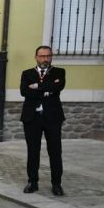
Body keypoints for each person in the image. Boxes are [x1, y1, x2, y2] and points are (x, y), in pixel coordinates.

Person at [21, 45, 66, 196]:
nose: (45, 59)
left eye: (48, 56)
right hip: (31, 117)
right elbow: (24, 91)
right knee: (33, 151)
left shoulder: (59, 72)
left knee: (55, 151)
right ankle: (32, 182)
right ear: (36, 57)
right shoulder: (27, 73)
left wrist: (36, 86)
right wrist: (46, 91)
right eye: (42, 56)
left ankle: (56, 184)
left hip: (52, 117)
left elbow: (58, 87)